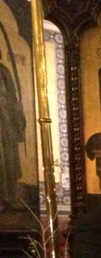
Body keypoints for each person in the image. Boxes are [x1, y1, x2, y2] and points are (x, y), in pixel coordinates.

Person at [0, 47, 26, 213]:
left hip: (5, 123)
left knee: (6, 159)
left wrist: (16, 109)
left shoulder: (4, 71)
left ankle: (6, 197)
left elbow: (11, 95)